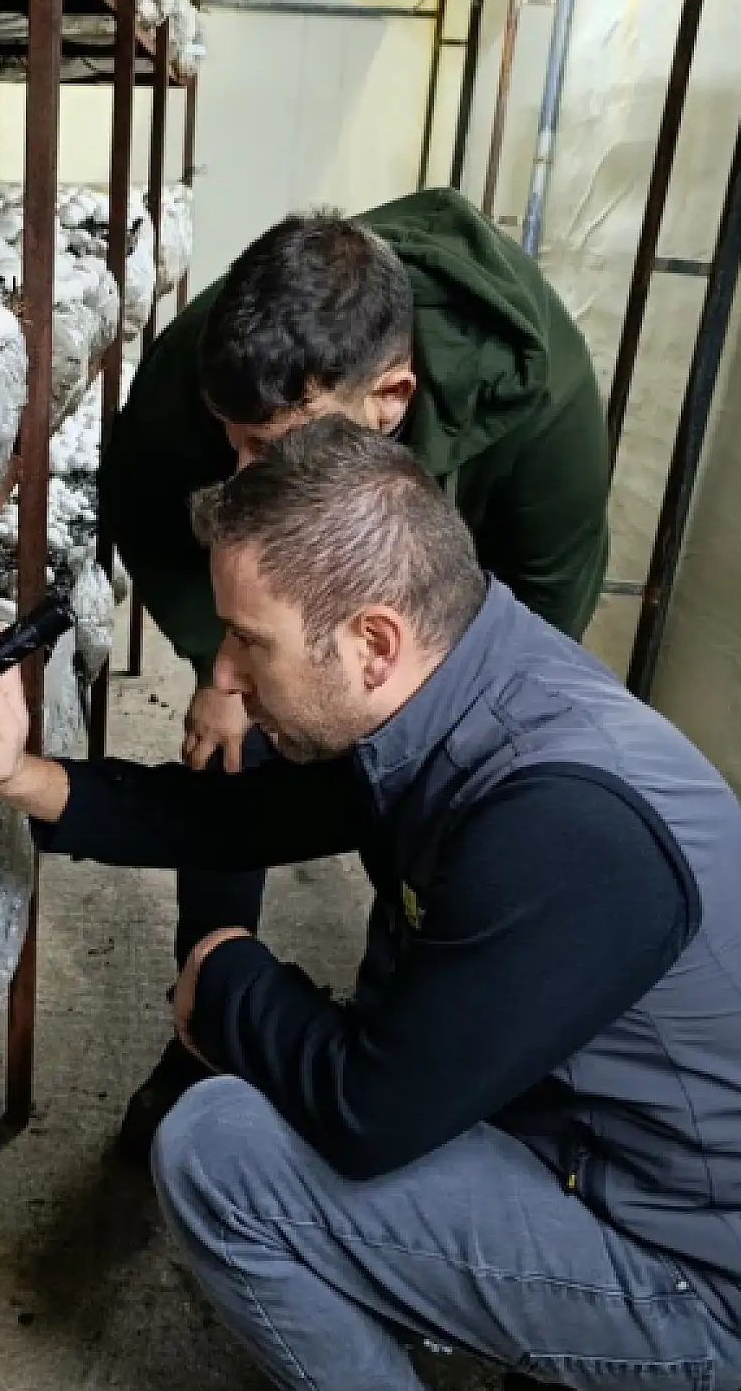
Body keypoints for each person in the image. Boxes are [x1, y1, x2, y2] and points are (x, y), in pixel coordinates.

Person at [0, 421, 741, 1391]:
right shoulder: (465, 683)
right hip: (603, 1155)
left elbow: (369, 1112)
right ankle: (568, 1360)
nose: (222, 675)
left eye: (245, 641)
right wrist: (18, 775)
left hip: (698, 1280)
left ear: (371, 642)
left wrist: (228, 978)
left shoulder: (560, 822)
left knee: (221, 1148)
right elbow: (238, 818)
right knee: (334, 1030)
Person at [101, 189, 612, 1156]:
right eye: (232, 442)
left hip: (454, 602)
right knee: (240, 752)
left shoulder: (543, 411)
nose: (243, 471)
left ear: (391, 400)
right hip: (294, 579)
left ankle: (405, 1040)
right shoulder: (214, 363)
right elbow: (142, 502)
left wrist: (442, 740)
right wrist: (222, 662)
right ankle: (204, 1037)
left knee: (436, 797)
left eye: (270, 448)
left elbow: (549, 596)